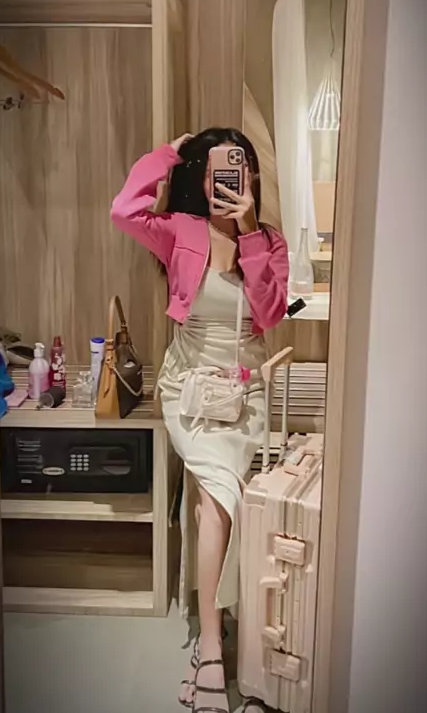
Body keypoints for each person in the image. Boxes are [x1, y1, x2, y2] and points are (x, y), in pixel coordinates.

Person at [111, 128, 288, 713]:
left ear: (251, 177)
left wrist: (251, 231)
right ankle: (213, 642)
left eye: (237, 170)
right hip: (188, 387)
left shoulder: (270, 242)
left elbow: (270, 314)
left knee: (219, 504)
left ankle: (219, 629)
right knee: (215, 500)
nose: (226, 183)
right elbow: (123, 209)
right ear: (202, 180)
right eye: (215, 173)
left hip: (245, 391)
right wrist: (168, 153)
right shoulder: (180, 231)